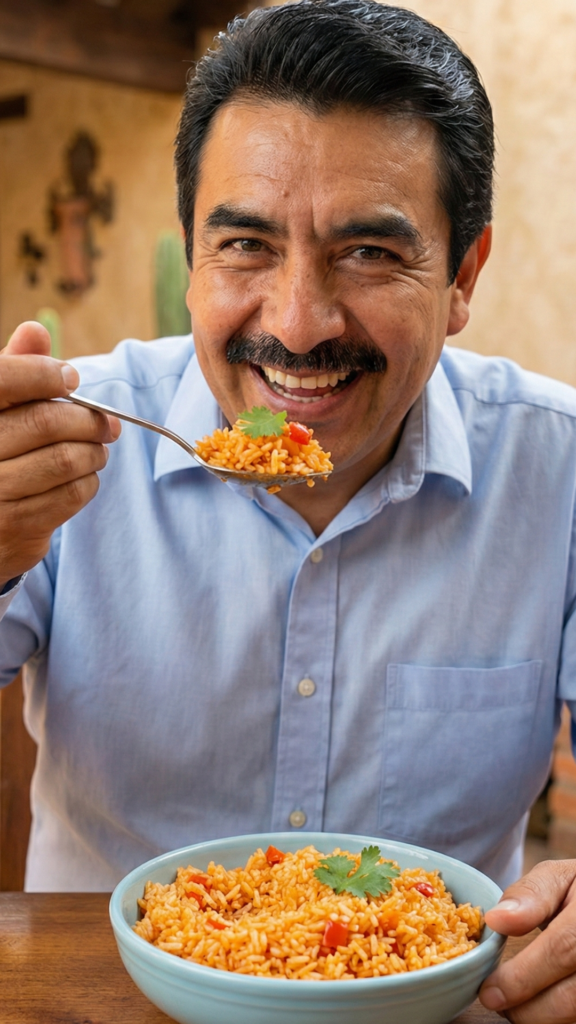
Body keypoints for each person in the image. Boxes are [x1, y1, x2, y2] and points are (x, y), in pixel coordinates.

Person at [1, 0, 575, 1017]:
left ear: (463, 276)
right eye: (246, 246)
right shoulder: (62, 441)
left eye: (369, 253)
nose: (299, 324)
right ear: (189, 253)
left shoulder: (560, 469)